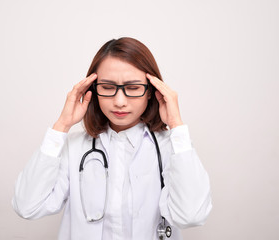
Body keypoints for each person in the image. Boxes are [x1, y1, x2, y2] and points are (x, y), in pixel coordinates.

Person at [12, 37, 212, 240]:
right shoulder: (74, 148)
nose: (119, 102)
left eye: (133, 88)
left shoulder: (173, 147)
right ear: (92, 90)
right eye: (107, 87)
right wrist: (61, 126)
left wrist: (176, 125)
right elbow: (27, 206)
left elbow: (192, 216)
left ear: (151, 91)